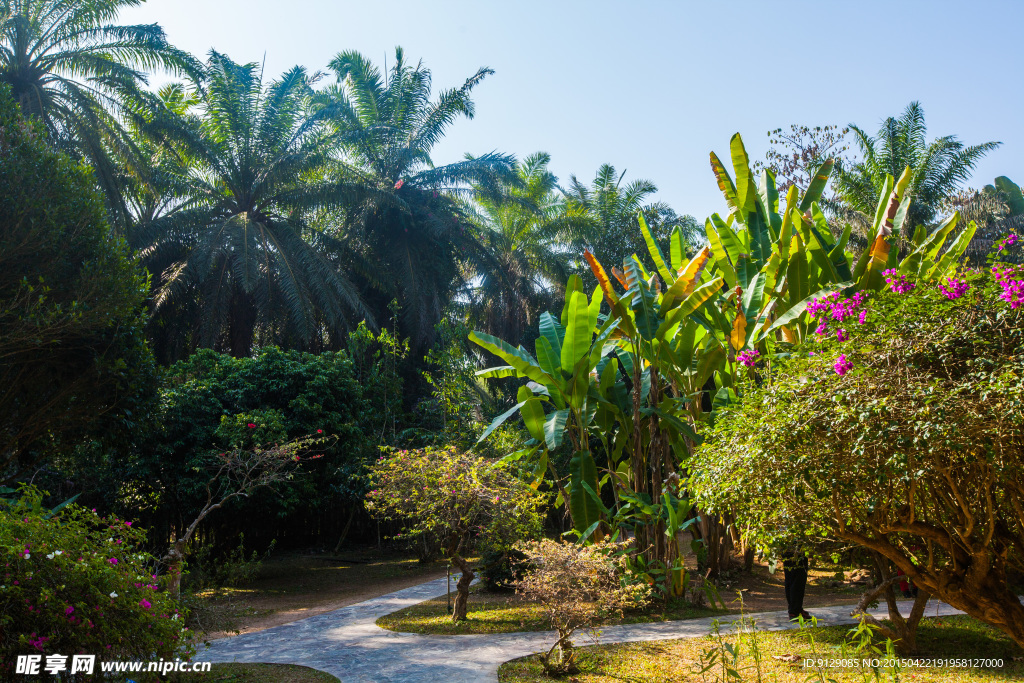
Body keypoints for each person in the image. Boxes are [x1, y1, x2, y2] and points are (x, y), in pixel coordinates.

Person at [781, 548, 811, 621]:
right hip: (796, 551)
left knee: (790, 580)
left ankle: (795, 609)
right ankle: (795, 611)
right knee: (798, 581)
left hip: (787, 550)